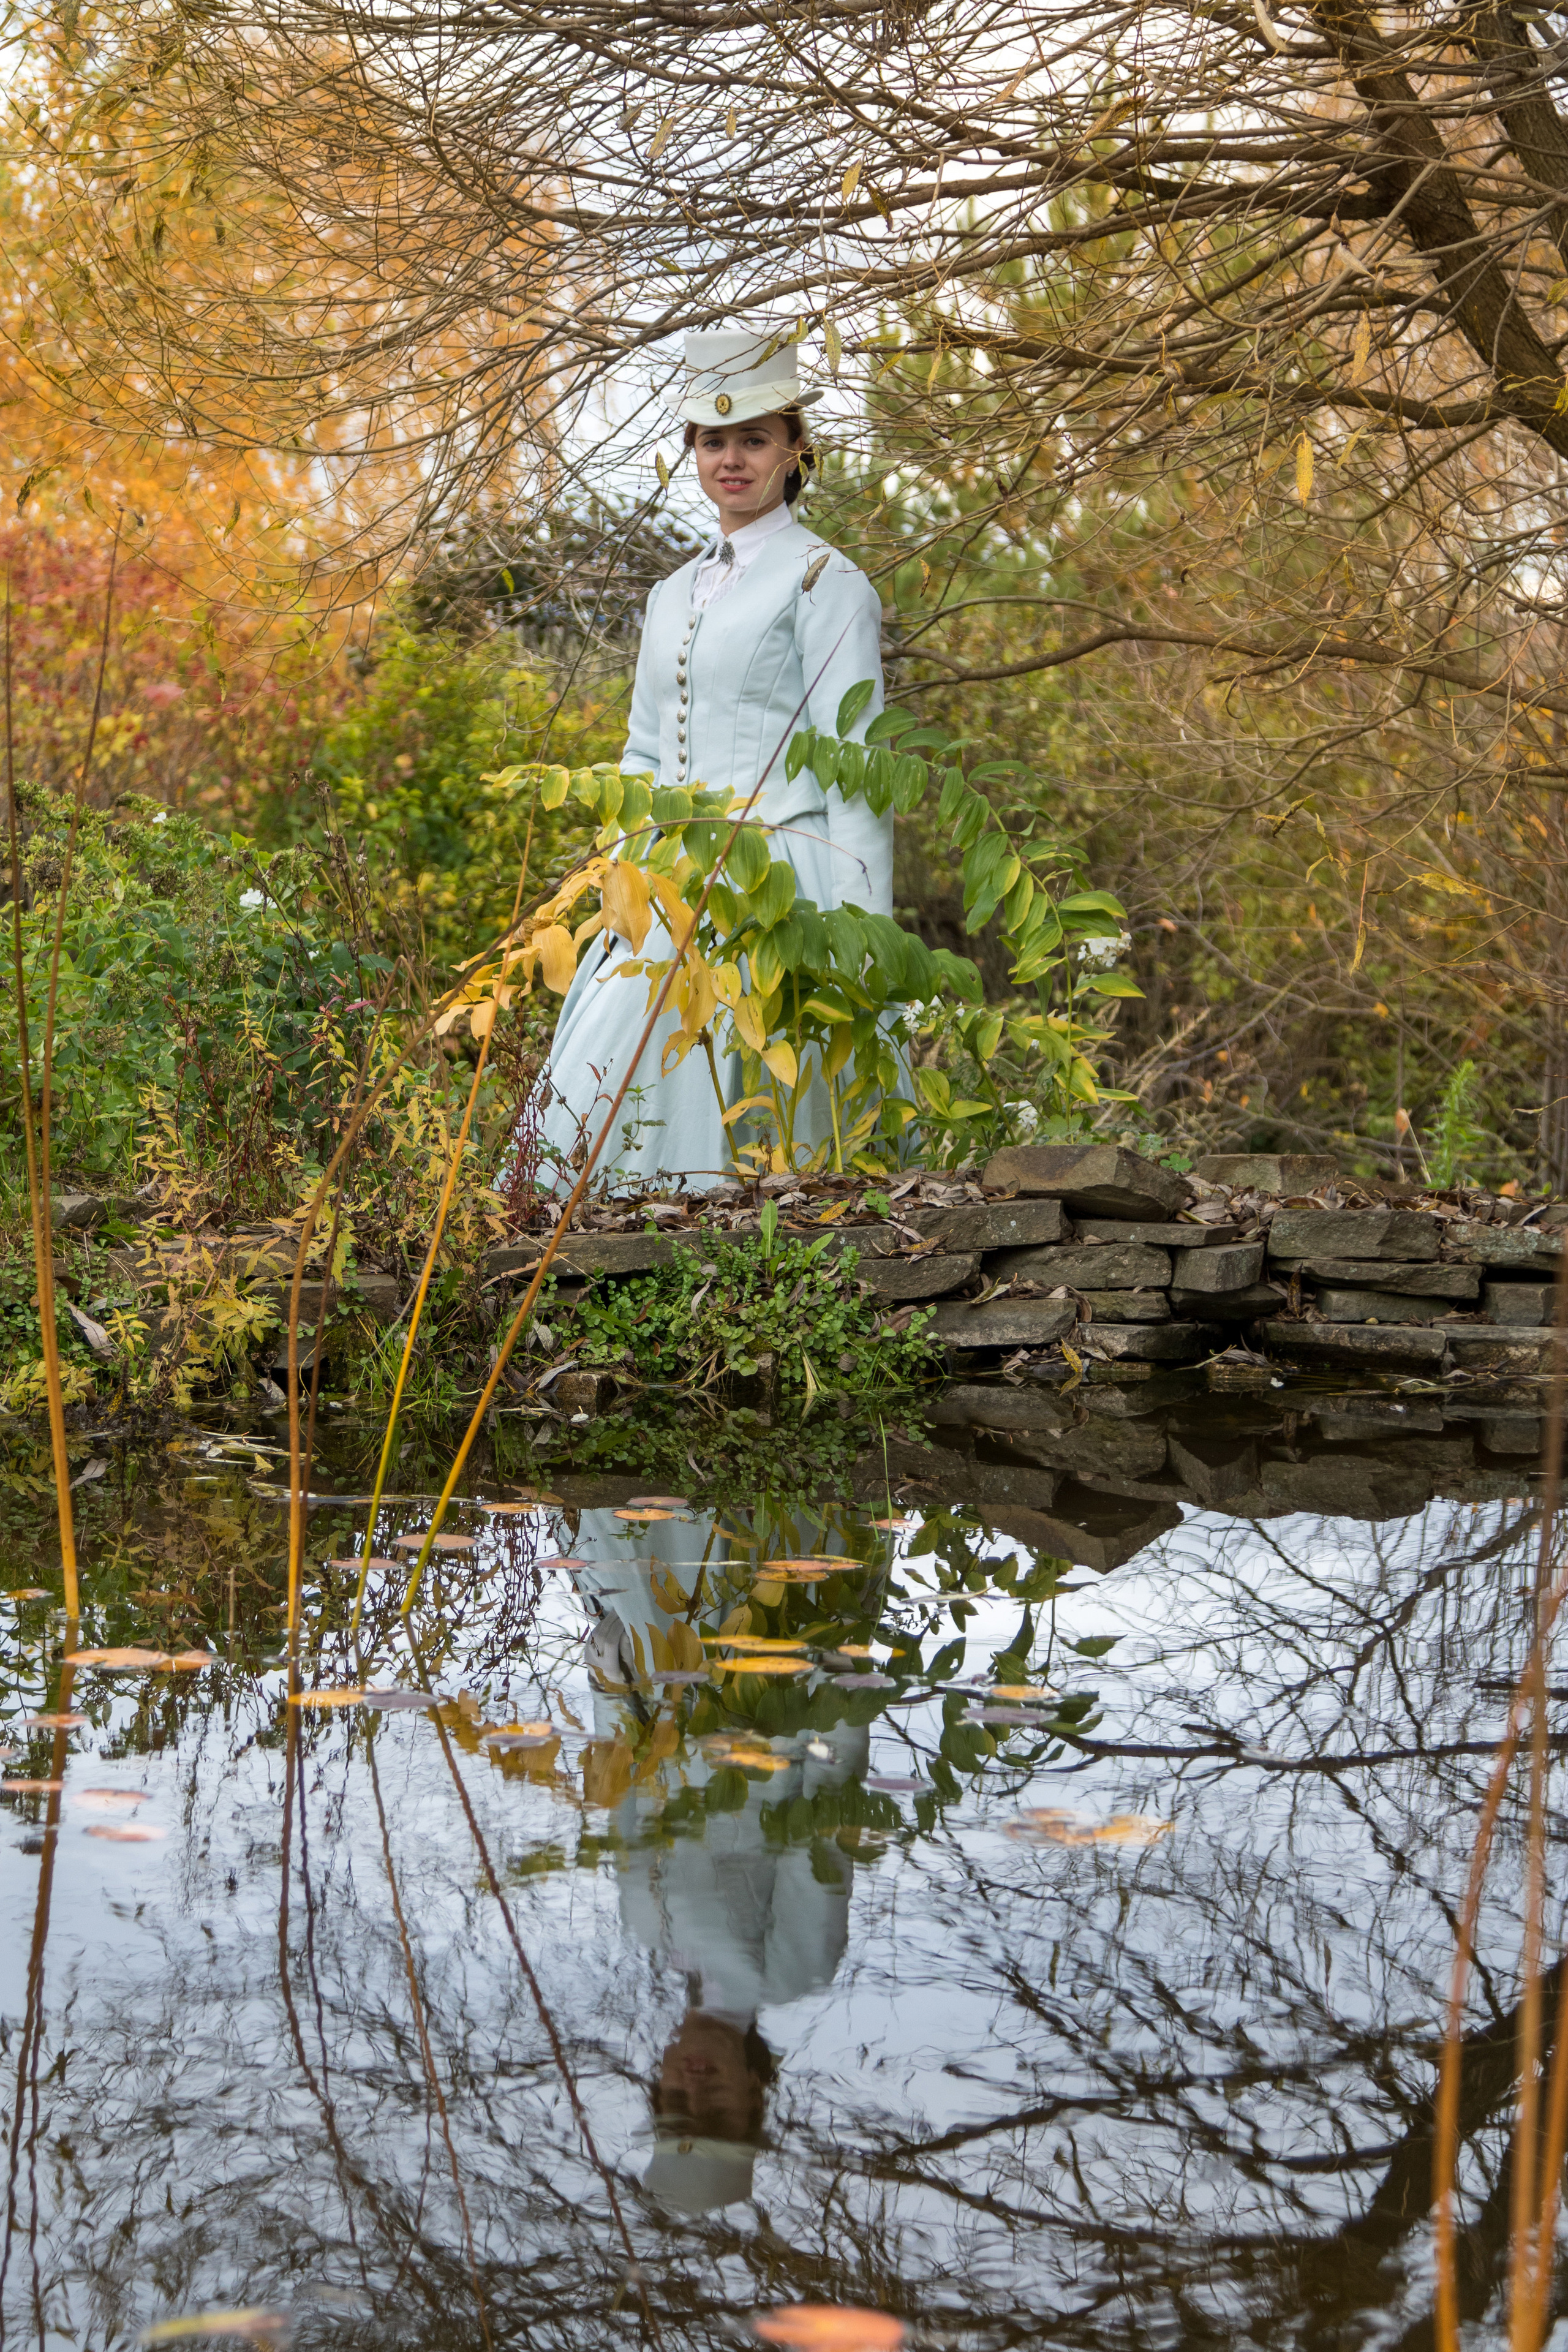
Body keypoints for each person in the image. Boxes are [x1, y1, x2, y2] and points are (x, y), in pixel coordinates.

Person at [538, 325, 893, 1191]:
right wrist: (621, 888)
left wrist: (864, 929)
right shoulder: (670, 594)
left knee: (777, 1120)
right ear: (692, 451)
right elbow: (644, 751)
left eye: (754, 440)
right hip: (667, 885)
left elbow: (857, 766)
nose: (731, 460)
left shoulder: (826, 581)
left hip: (783, 883)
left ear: (795, 449)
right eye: (713, 440)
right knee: (611, 1103)